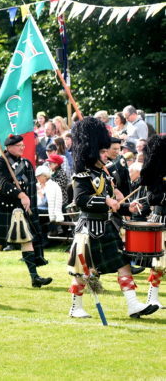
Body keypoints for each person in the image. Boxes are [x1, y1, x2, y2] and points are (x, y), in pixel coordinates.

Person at [66, 117, 153, 318]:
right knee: (83, 272)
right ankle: (75, 307)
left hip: (105, 227)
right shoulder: (83, 176)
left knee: (122, 264)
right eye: (103, 152)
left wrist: (126, 208)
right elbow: (80, 200)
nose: (107, 156)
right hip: (88, 229)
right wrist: (105, 201)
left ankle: (133, 305)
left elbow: (112, 204)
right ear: (93, 151)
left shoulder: (104, 175)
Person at [0, 134, 52, 289]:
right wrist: (21, 194)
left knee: (27, 241)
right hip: (4, 207)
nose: (22, 147)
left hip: (21, 208)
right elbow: (3, 183)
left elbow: (31, 188)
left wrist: (30, 205)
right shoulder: (0, 163)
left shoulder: (26, 164)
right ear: (9, 147)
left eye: (23, 145)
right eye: (19, 145)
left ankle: (35, 278)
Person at [137, 135, 165, 311]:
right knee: (159, 264)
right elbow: (152, 198)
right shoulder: (158, 174)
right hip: (162, 219)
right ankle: (152, 297)